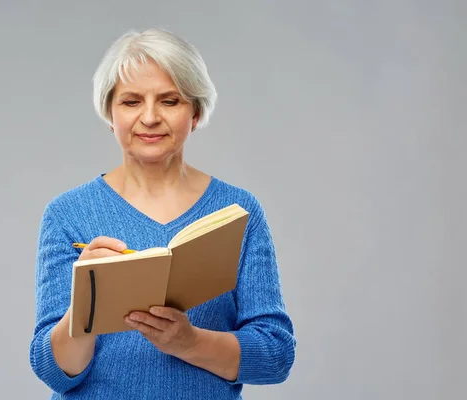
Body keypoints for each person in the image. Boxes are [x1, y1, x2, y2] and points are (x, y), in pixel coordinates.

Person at [29, 28, 296, 399]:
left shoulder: (238, 212)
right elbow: (54, 372)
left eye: (170, 101)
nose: (150, 118)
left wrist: (189, 342)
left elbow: (275, 355)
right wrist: (84, 309)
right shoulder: (67, 213)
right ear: (110, 113)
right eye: (131, 101)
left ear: (197, 112)